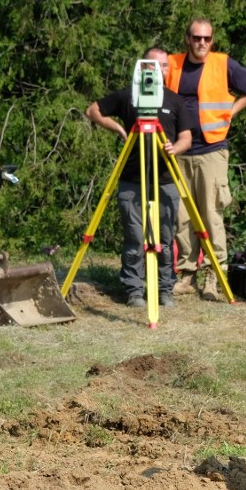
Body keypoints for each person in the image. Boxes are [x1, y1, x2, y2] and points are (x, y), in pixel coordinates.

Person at [85, 48, 194, 308]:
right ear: (143, 68)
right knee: (135, 237)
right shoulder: (128, 96)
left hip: (166, 179)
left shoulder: (175, 101)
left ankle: (164, 289)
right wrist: (121, 130)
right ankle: (134, 290)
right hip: (132, 180)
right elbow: (93, 111)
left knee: (165, 238)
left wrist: (174, 148)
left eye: (164, 66)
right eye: (154, 65)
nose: (159, 70)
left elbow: (187, 137)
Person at [165, 18, 246, 301]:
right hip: (179, 151)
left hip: (211, 150)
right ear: (187, 38)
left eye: (207, 39)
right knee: (183, 217)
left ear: (213, 39)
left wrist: (232, 111)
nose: (202, 43)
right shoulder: (172, 64)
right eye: (197, 38)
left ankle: (213, 274)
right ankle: (186, 274)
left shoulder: (223, 64)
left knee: (211, 214)